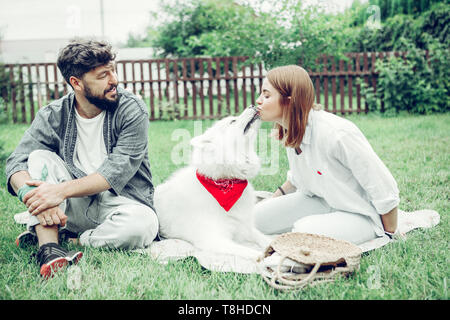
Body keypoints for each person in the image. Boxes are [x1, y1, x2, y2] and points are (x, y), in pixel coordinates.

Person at [5, 39, 159, 278]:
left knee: (143, 225)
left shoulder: (132, 109)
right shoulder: (53, 115)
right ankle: (49, 249)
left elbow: (116, 170)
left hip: (119, 203)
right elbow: (17, 162)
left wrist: (58, 192)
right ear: (76, 83)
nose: (114, 81)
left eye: (113, 71)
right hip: (71, 206)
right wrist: (31, 195)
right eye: (103, 76)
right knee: (38, 158)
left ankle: (72, 241)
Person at [253, 65, 399, 245]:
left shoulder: (336, 133)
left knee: (303, 232)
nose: (258, 101)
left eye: (266, 95)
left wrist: (390, 233)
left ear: (289, 101)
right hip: (319, 202)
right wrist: (269, 203)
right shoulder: (291, 128)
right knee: (253, 219)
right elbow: (298, 179)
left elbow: (383, 186)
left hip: (358, 214)